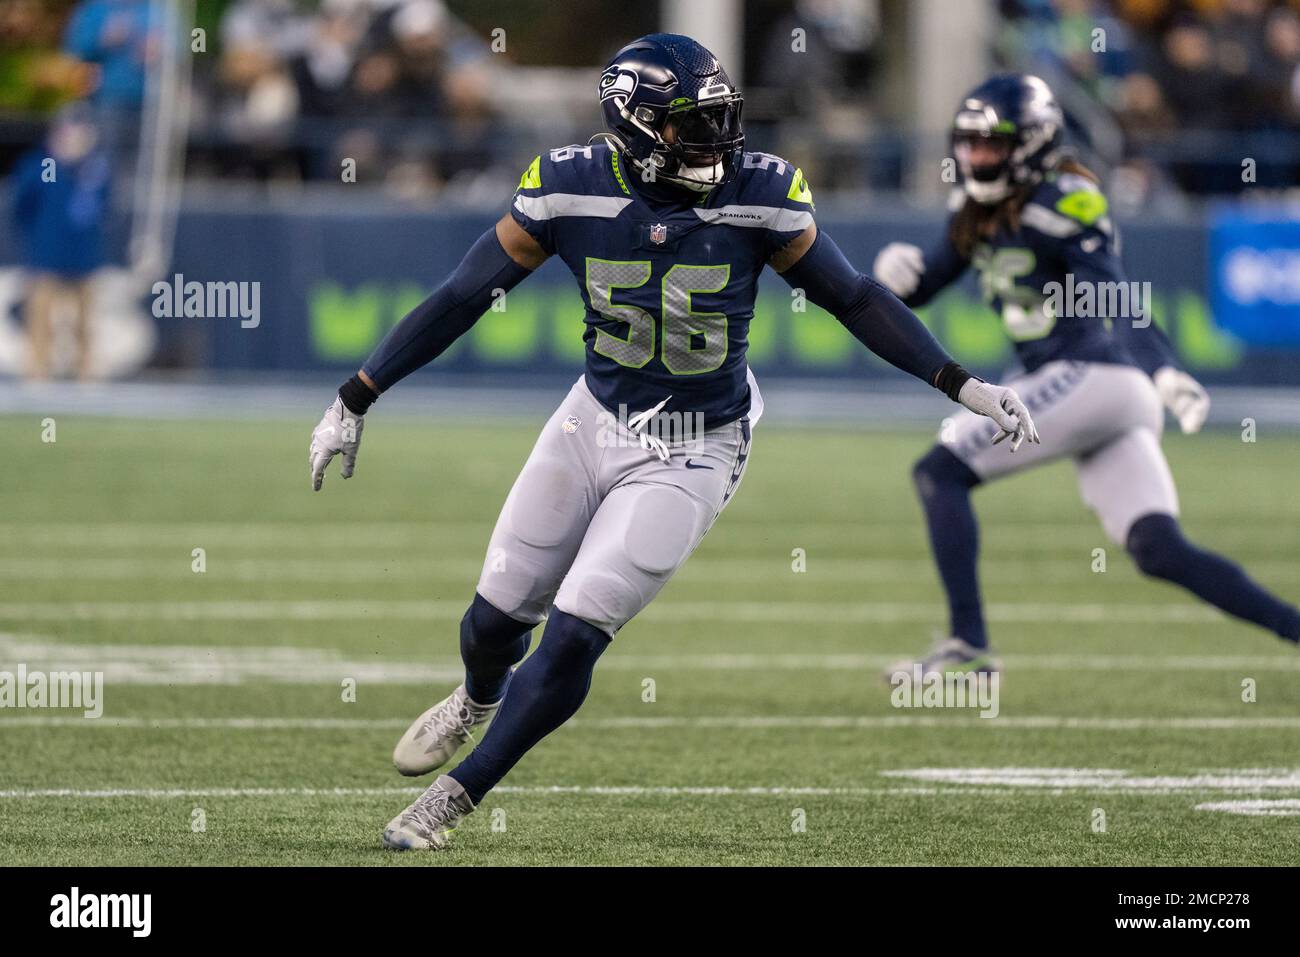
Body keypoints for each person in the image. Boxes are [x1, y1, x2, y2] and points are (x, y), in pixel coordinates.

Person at [308, 36, 1038, 851]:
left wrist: (960, 383)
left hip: (697, 444)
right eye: (692, 128)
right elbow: (464, 293)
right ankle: (477, 699)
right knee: (490, 623)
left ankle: (456, 796)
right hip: (592, 418)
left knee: (579, 627)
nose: (715, 144)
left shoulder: (762, 192)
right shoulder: (566, 186)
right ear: (633, 128)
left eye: (720, 122)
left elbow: (856, 298)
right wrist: (356, 394)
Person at [873, 73, 1300, 678]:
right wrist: (899, 279)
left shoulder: (1066, 200)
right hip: (1090, 388)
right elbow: (929, 282)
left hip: (1092, 374)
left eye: (992, 144)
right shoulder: (975, 206)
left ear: (1033, 145)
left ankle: (967, 644)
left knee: (938, 474)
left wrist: (1163, 369)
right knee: (1159, 549)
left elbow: (1109, 296)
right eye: (969, 143)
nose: (976, 156)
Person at [11, 106, 110, 380]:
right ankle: (37, 372)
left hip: (83, 254)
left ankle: (86, 372)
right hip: (47, 253)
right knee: (41, 318)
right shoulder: (44, 165)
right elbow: (25, 203)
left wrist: (80, 165)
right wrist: (58, 161)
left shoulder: (94, 168)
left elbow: (103, 205)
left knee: (84, 320)